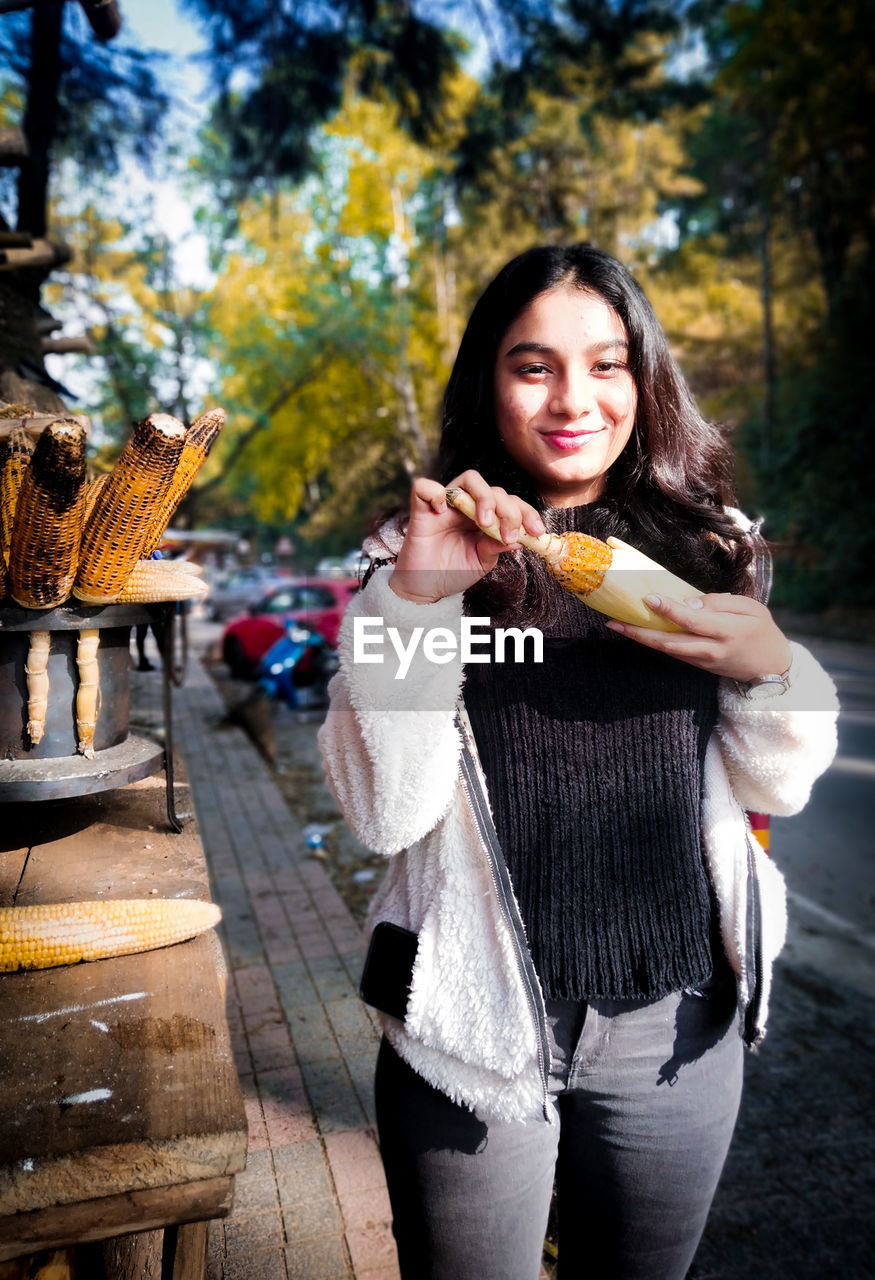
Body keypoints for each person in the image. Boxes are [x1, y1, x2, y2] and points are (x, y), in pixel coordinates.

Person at [317, 244, 839, 1280]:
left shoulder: (712, 549)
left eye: (605, 364)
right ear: (488, 380)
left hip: (675, 1027)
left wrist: (776, 668)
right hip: (468, 1030)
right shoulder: (409, 553)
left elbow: (777, 782)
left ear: (643, 380)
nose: (573, 399)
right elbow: (386, 810)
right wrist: (417, 604)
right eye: (532, 364)